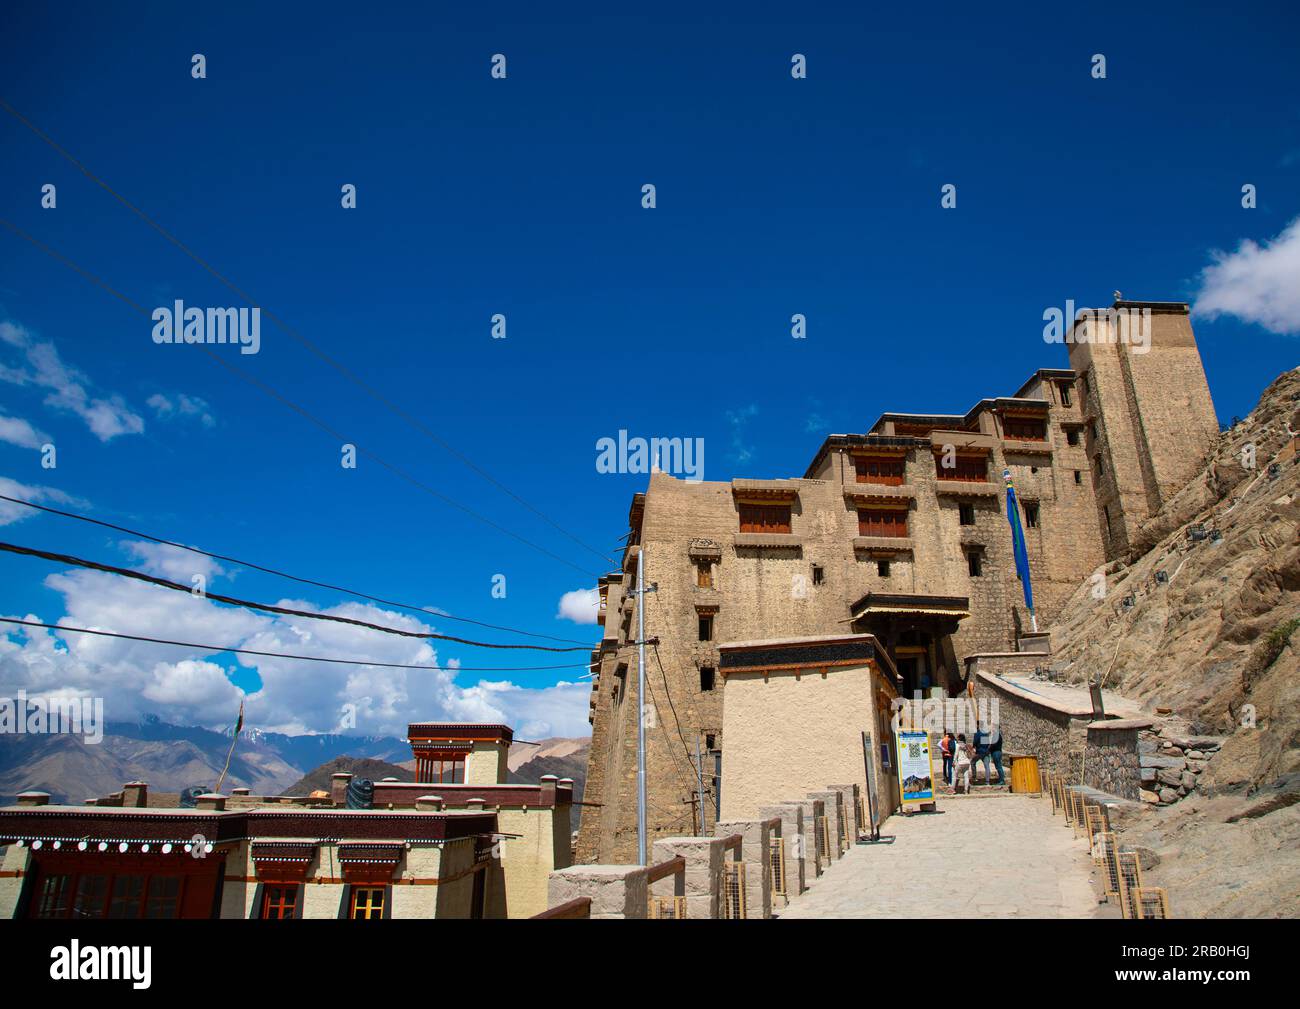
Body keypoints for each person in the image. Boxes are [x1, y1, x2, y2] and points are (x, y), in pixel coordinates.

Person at [987, 721, 1005, 785]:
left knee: (998, 766)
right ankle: (1001, 779)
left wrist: (988, 748)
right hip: (997, 752)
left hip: (996, 752)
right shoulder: (997, 735)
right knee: (998, 766)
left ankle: (1002, 780)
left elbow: (993, 744)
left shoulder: (996, 735)